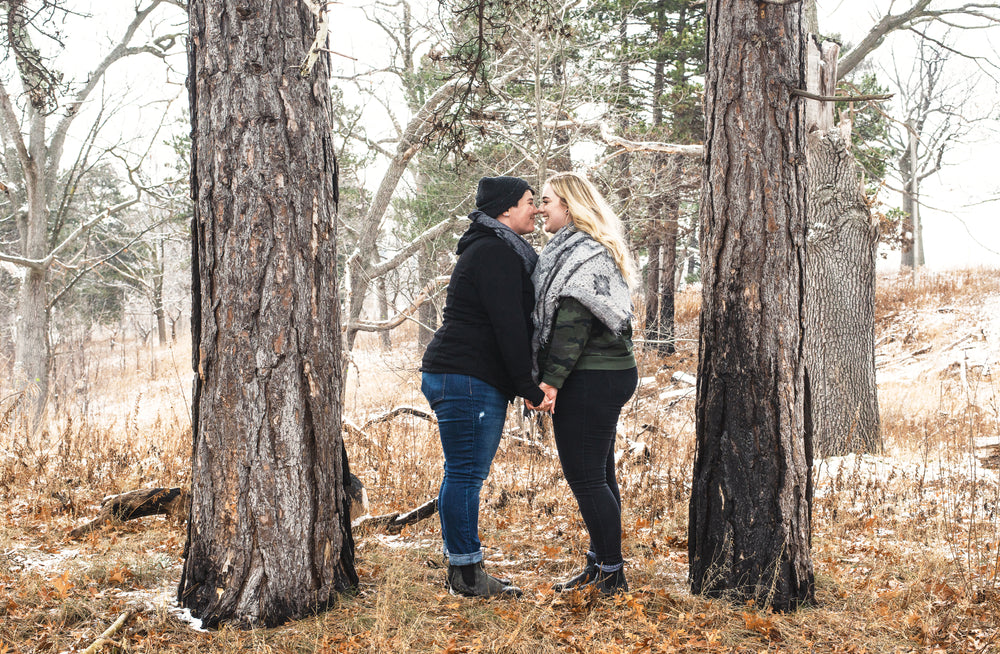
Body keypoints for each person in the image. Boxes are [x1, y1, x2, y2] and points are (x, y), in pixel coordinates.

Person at [421, 175, 551, 598]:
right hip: (466, 377)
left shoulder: (495, 248)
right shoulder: (495, 251)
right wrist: (528, 387)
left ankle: (464, 568)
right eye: (530, 201)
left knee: (460, 472)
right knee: (465, 473)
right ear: (505, 209)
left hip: (462, 374)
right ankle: (467, 574)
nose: (536, 209)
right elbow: (508, 326)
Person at [532, 171, 638, 595]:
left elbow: (572, 326)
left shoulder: (581, 256)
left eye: (547, 201)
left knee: (587, 479)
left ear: (570, 206)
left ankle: (611, 572)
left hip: (592, 376)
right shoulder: (581, 249)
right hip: (604, 374)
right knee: (599, 474)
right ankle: (600, 565)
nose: (540, 209)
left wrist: (551, 382)